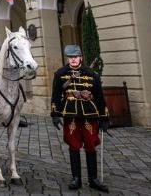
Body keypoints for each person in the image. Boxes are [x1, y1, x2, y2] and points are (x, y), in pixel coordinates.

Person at [50, 44, 109, 192]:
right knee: (73, 145)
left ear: (81, 57)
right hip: (71, 114)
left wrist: (104, 117)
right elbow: (56, 95)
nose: (73, 60)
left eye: (75, 57)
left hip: (89, 113)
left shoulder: (91, 74)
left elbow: (100, 97)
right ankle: (76, 178)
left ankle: (93, 179)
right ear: (68, 59)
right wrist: (55, 114)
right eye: (70, 57)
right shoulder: (60, 74)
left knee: (90, 144)